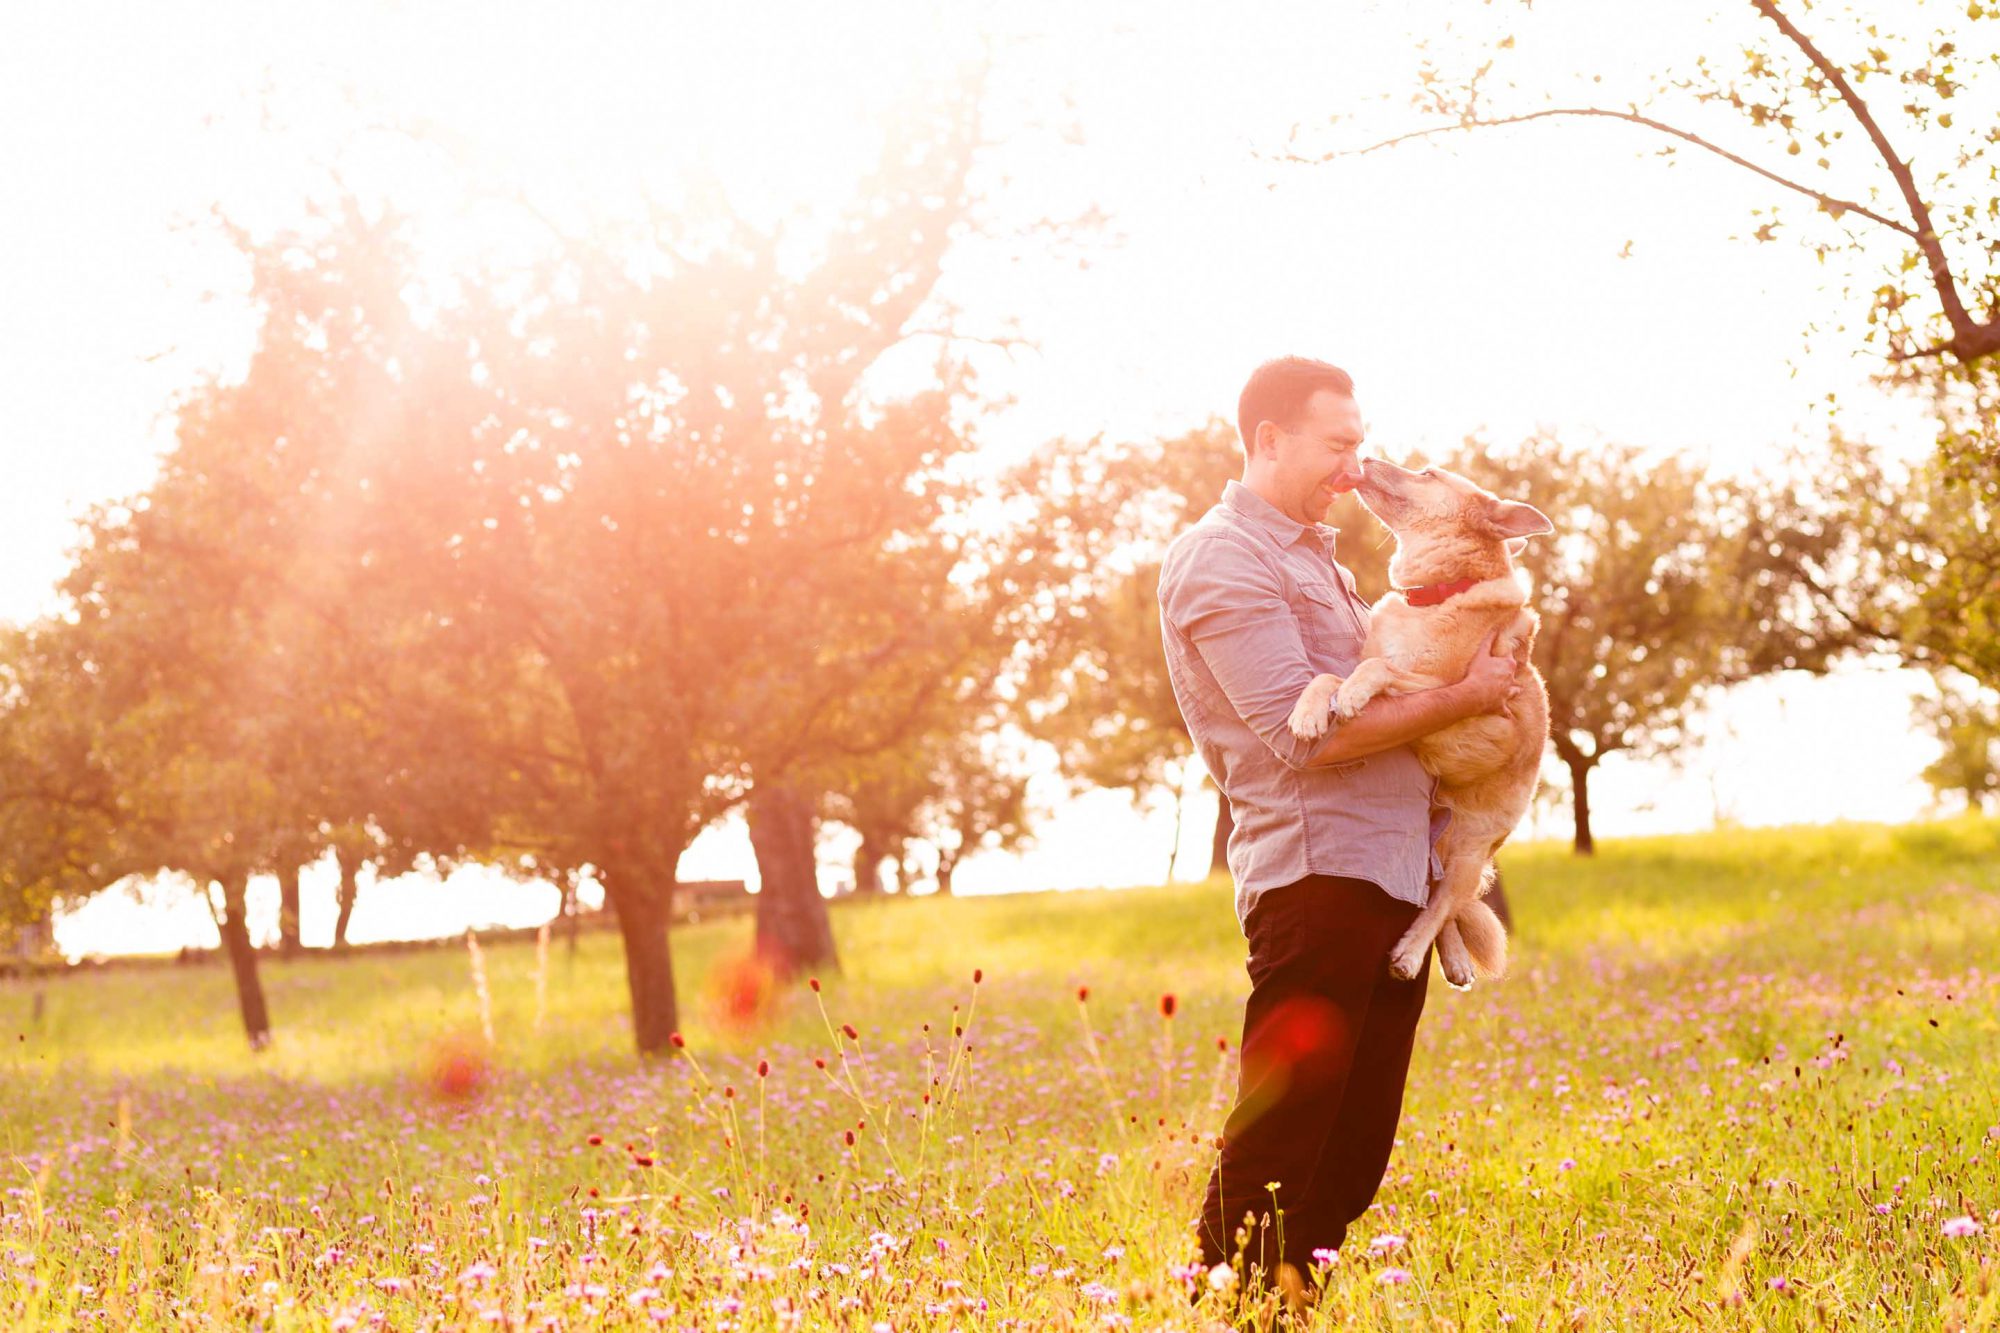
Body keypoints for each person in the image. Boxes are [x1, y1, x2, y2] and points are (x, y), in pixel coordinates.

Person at [1156, 356, 1519, 1301]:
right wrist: (1469, 694)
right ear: (1269, 439)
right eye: (1339, 446)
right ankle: (1217, 1308)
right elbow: (1295, 735)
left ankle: (1280, 1317)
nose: (1356, 467)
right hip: (1317, 881)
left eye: (1359, 445)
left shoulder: (1320, 559)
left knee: (1353, 1151)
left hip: (1392, 879)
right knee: (1286, 1134)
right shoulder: (1222, 558)